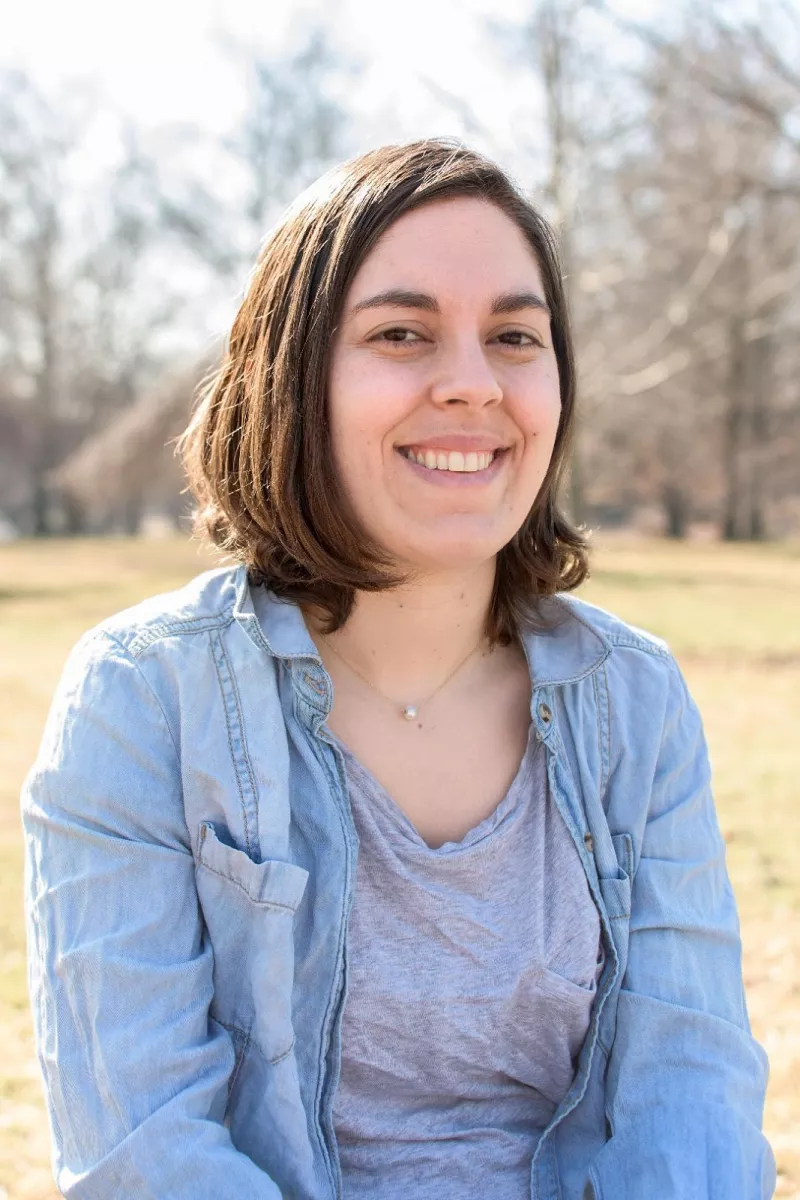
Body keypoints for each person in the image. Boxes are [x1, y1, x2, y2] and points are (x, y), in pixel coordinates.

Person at [21, 138, 775, 1200]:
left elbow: (686, 1100)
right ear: (293, 381)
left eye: (514, 335)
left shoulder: (633, 703)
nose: (472, 384)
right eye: (400, 333)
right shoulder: (141, 700)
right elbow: (142, 1152)